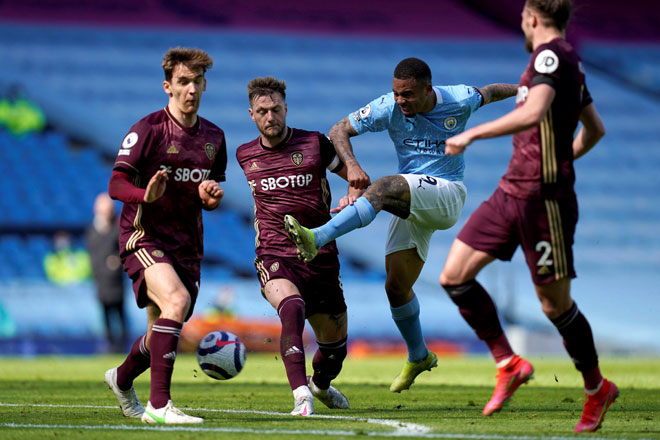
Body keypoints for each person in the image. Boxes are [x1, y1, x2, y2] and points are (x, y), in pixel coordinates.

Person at [284, 57, 517, 392]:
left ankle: (317, 237)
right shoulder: (387, 107)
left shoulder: (458, 99)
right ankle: (419, 355)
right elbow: (338, 130)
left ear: (427, 89)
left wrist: (527, 90)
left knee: (385, 186)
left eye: (407, 95)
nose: (400, 101)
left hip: (447, 193)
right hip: (414, 199)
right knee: (396, 287)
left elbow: (490, 92)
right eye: (396, 94)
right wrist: (351, 167)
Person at [440, 0, 615, 433]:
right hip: (510, 191)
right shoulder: (564, 65)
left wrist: (472, 133)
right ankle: (509, 362)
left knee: (554, 305)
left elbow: (534, 113)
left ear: (533, 17)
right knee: (454, 275)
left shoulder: (551, 56)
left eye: (522, 16)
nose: (521, 23)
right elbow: (594, 128)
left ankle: (597, 389)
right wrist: (562, 156)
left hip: (544, 202)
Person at [104, 47, 227, 425]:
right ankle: (159, 407)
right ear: (168, 87)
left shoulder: (214, 138)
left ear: (205, 85)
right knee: (175, 301)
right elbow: (115, 183)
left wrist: (209, 198)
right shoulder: (148, 130)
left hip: (187, 245)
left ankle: (122, 379)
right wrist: (146, 195)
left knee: (162, 328)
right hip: (143, 235)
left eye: (197, 82)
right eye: (183, 82)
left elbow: (206, 191)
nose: (191, 89)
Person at [236, 76, 352, 416]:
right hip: (274, 254)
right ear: (251, 115)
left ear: (286, 109)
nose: (269, 116)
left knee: (335, 351)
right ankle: (302, 394)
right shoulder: (245, 155)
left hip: (321, 254)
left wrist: (354, 194)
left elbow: (356, 179)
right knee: (292, 306)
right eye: (262, 111)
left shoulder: (315, 144)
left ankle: (320, 384)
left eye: (275, 109)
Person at [86, 192, 128, 353]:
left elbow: (123, 250)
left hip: (116, 280)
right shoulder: (92, 230)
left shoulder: (118, 228)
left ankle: (121, 346)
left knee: (120, 313)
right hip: (101, 280)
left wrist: (116, 261)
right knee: (105, 315)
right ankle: (110, 344)